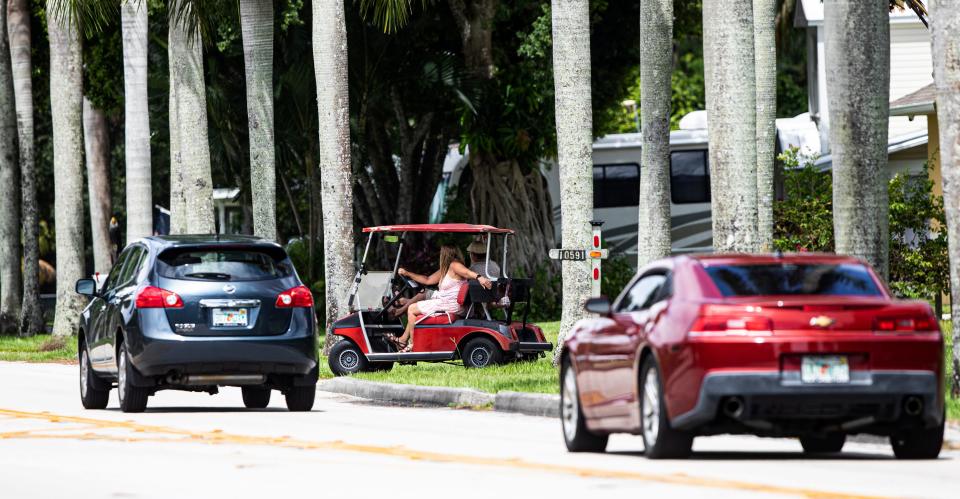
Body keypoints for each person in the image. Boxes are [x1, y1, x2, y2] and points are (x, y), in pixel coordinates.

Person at [391, 244, 493, 352]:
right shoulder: (446, 268)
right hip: (446, 301)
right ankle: (404, 340)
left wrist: (480, 278)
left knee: (412, 308)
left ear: (445, 254)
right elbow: (427, 280)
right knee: (417, 302)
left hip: (451, 304)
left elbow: (467, 273)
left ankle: (412, 345)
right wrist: (408, 274)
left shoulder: (454, 264)